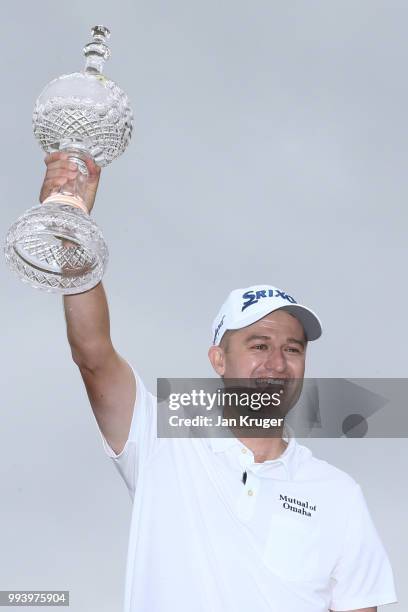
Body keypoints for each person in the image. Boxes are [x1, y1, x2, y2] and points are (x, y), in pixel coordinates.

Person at [41, 153, 397, 612]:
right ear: (218, 358)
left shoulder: (338, 495)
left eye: (293, 348)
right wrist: (73, 230)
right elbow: (92, 354)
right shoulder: (160, 440)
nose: (277, 363)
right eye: (258, 344)